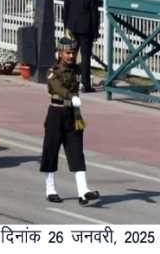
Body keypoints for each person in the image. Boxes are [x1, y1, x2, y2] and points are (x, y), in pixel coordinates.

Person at [41, 36, 101, 205]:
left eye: (73, 53)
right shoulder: (54, 71)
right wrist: (69, 96)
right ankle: (50, 189)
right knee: (51, 150)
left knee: (76, 151)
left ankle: (83, 191)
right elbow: (56, 87)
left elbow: (85, 61)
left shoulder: (76, 69)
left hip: (73, 115)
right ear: (60, 53)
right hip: (56, 113)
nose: (71, 56)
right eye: (68, 53)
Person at [62, 0, 101, 92]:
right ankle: (86, 84)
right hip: (86, 29)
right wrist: (96, 31)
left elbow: (66, 11)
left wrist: (66, 26)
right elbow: (94, 14)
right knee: (85, 57)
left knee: (70, 55)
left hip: (72, 27)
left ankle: (68, 80)